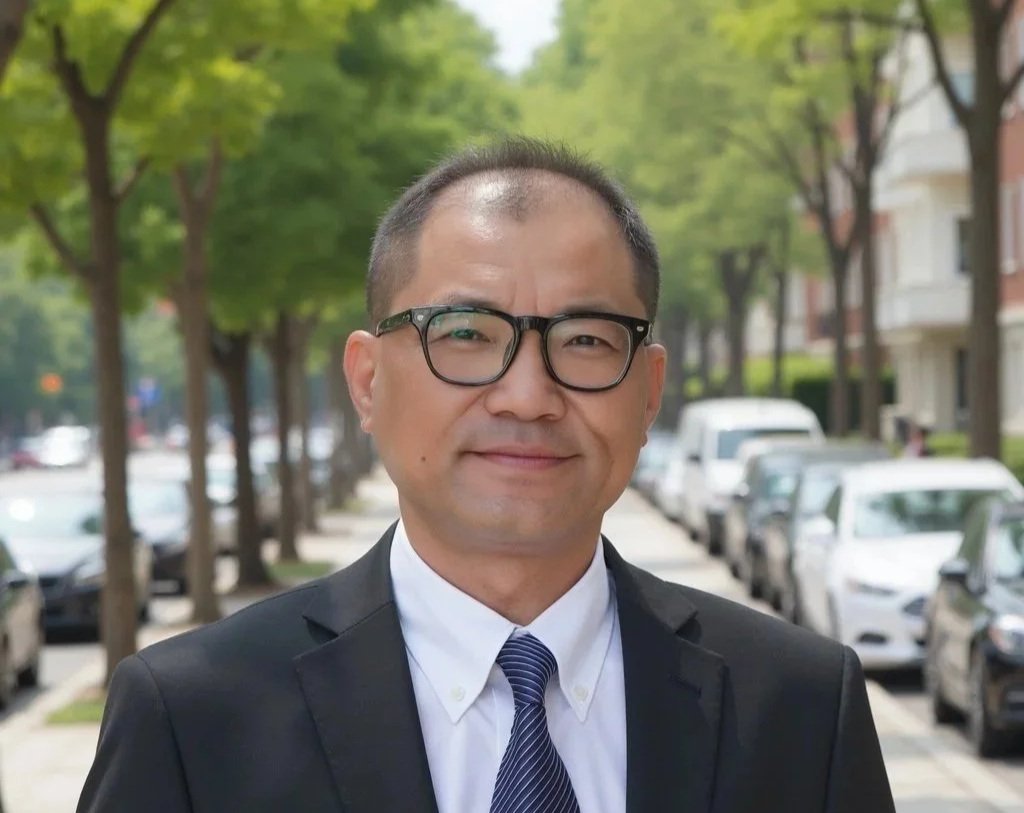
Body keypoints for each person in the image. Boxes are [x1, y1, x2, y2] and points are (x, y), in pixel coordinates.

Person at [78, 138, 895, 813]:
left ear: (648, 393)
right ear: (367, 381)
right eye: (465, 333)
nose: (528, 396)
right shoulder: (193, 718)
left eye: (584, 339)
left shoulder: (800, 707)